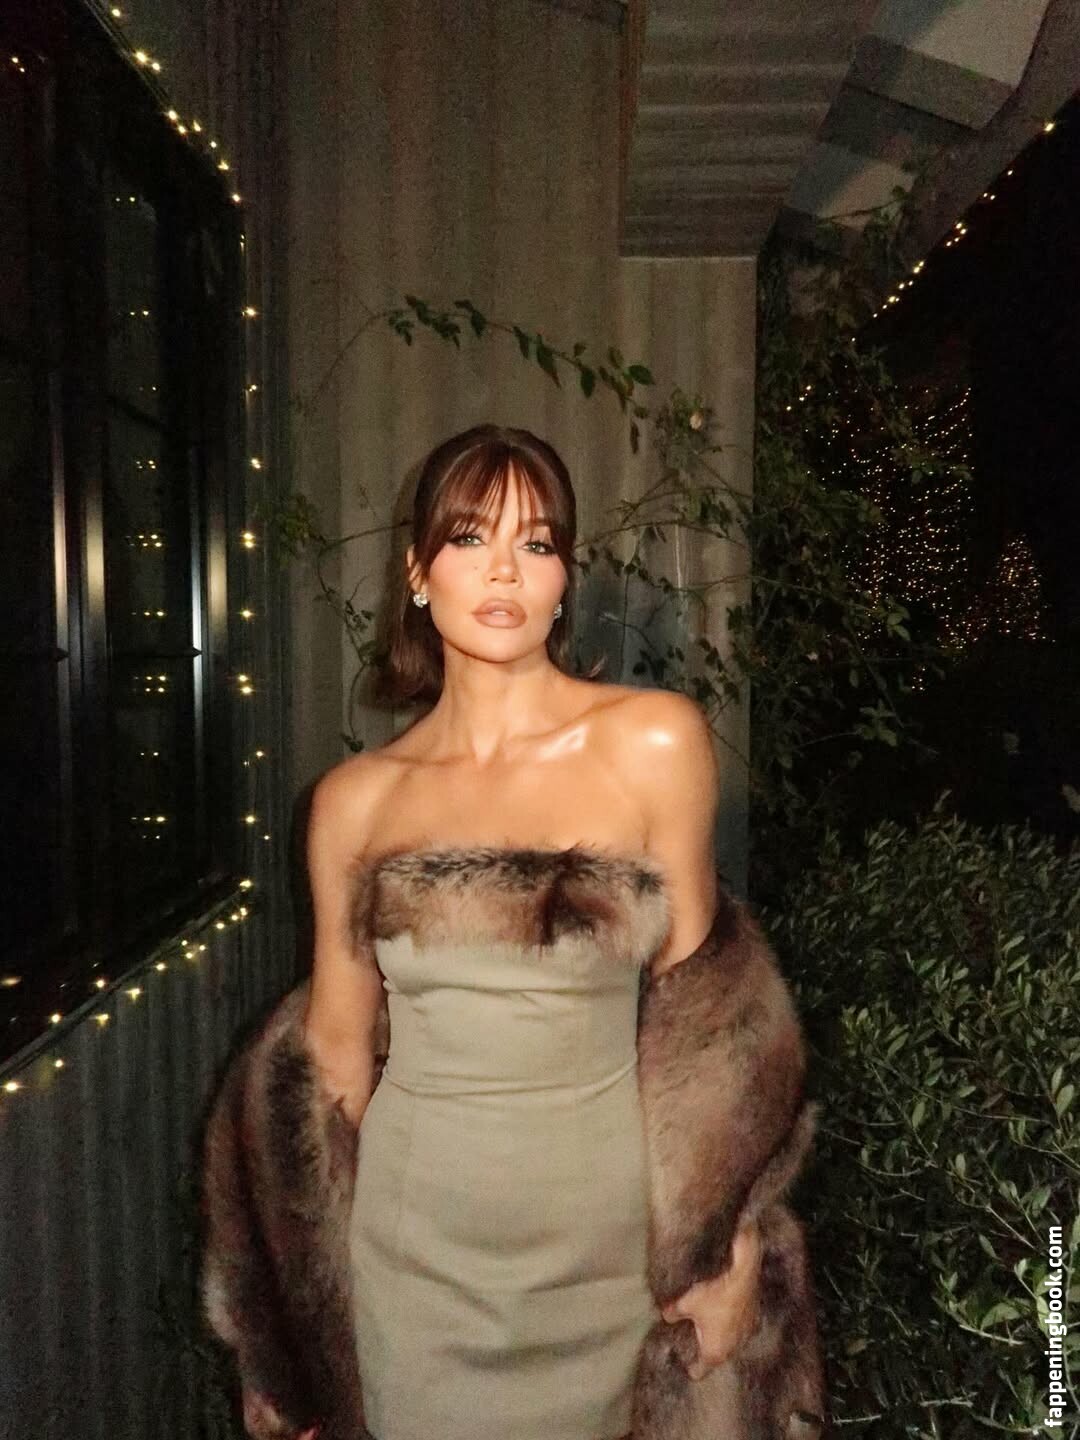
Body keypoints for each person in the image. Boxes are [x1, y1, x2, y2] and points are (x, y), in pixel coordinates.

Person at [246, 423, 764, 1440]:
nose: (503, 569)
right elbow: (336, 1059)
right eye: (469, 536)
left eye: (536, 542)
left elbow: (708, 1017)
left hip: (610, 1252)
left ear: (565, 577)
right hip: (414, 1263)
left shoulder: (653, 743)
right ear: (417, 571)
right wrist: (298, 1330)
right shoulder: (355, 800)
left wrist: (733, 1236)